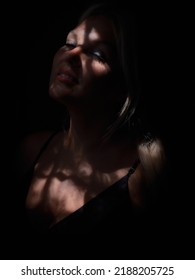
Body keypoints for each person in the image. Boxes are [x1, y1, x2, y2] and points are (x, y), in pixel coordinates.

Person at [13, 2, 166, 241]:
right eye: (69, 43)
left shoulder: (144, 178)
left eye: (97, 54)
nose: (71, 55)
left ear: (124, 83)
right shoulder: (29, 151)